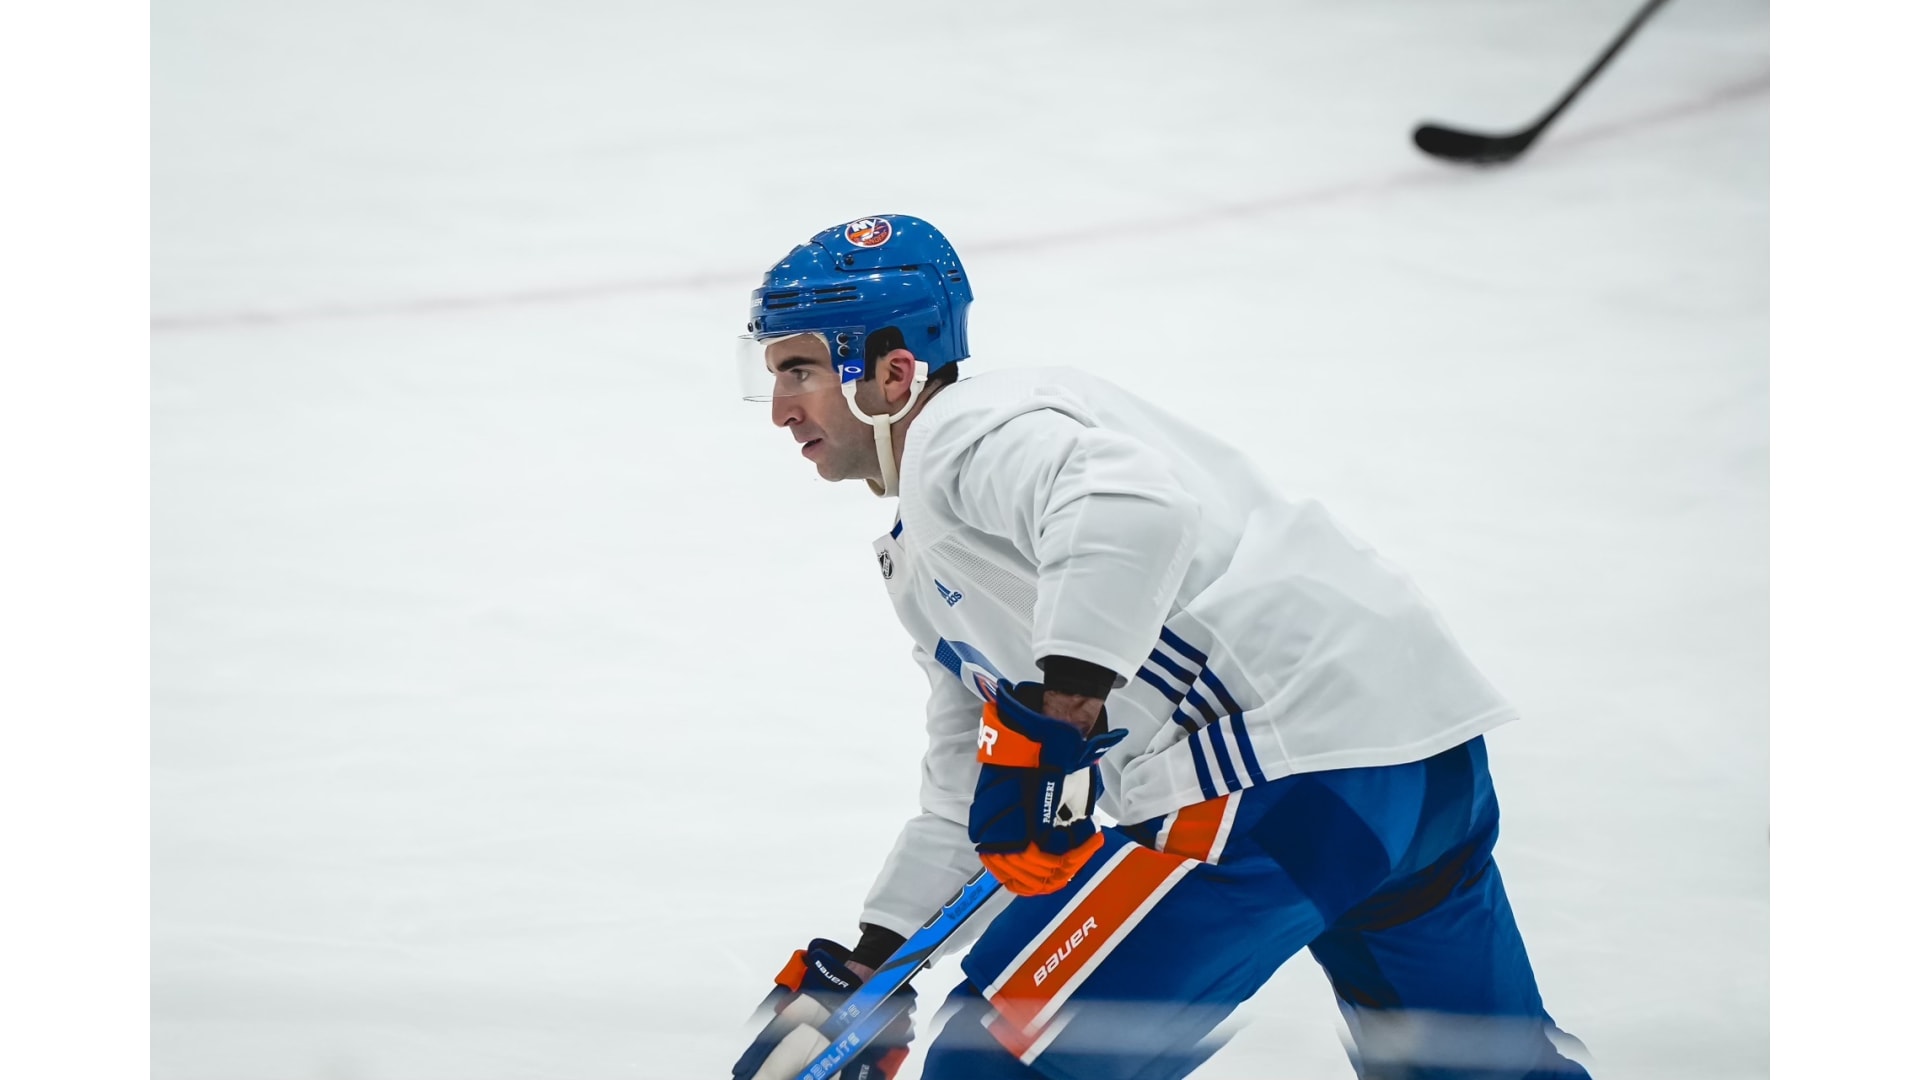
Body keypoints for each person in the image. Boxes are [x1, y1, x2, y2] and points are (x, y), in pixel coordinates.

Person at [727, 215, 1590, 1080]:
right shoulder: (936, 546)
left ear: (893, 371)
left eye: (799, 369)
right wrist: (875, 964)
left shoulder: (966, 433)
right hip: (1416, 761)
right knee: (1483, 1072)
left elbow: (1128, 505)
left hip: (1285, 769)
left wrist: (1061, 716)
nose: (779, 410)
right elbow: (974, 793)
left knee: (1003, 1062)